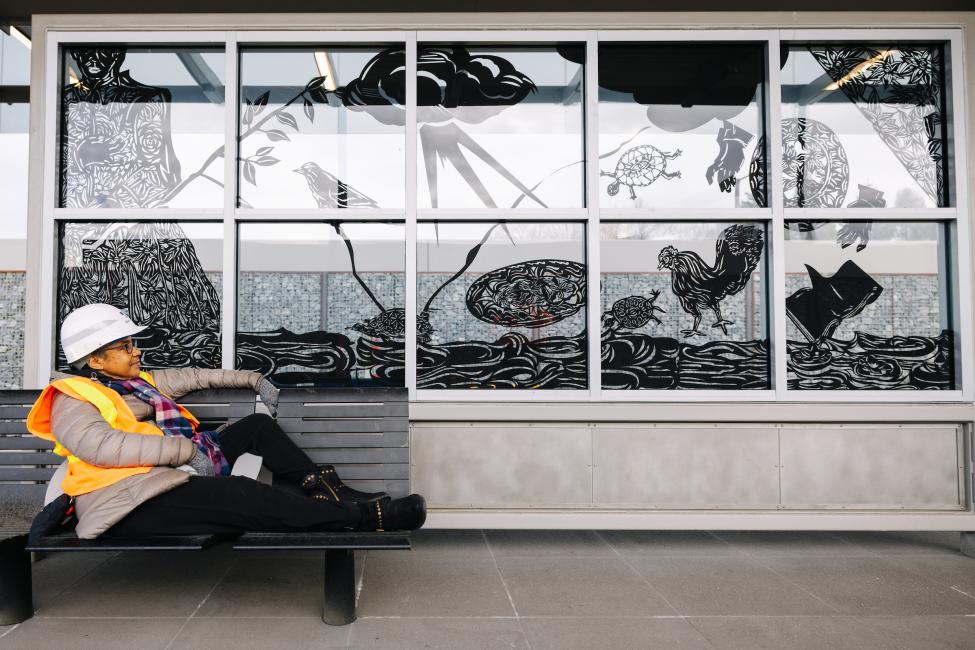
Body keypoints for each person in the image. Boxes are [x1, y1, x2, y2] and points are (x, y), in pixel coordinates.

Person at [27, 303, 425, 540]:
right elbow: (102, 448)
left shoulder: (141, 384)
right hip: (127, 502)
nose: (136, 351)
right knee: (241, 495)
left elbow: (199, 376)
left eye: (134, 343)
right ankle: (364, 519)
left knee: (257, 427)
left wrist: (255, 380)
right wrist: (185, 450)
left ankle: (332, 492)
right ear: (94, 360)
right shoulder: (72, 399)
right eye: (125, 346)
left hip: (167, 473)